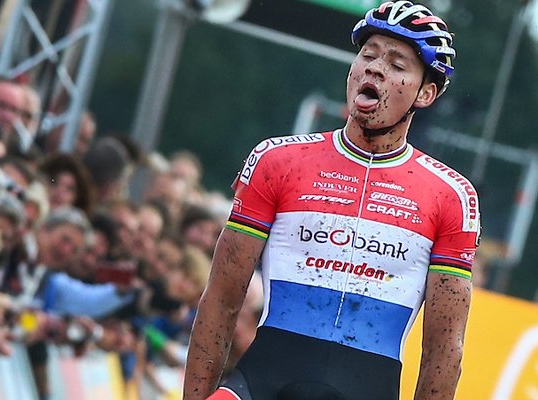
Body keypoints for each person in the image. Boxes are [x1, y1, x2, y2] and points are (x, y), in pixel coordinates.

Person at [184, 2, 475, 400]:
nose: (375, 69)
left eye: (396, 64)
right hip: (261, 382)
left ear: (425, 93)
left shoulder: (451, 196)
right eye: (368, 55)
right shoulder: (277, 160)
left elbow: (443, 349)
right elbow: (221, 299)